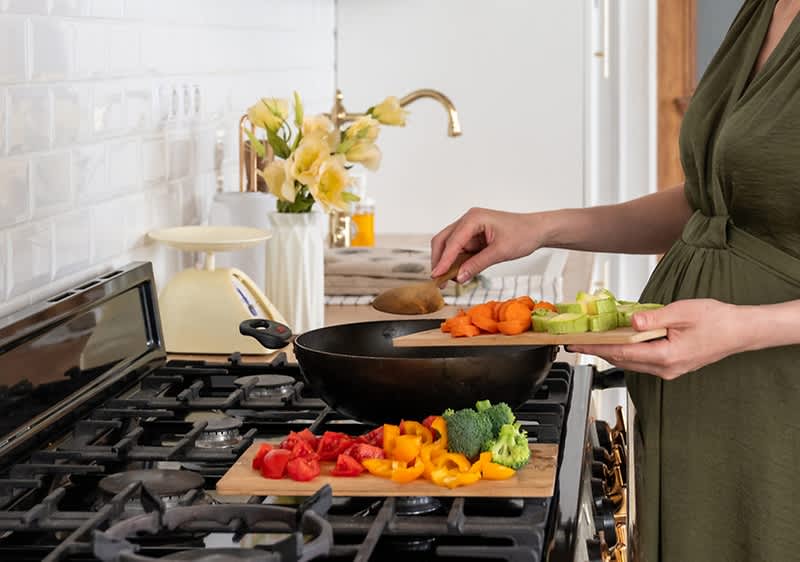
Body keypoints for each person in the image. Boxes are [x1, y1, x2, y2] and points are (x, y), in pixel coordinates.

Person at [429, 1, 800, 560]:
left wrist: (743, 328)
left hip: (777, 406)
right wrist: (541, 227)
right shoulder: (763, 9)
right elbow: (715, 203)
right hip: (703, 405)